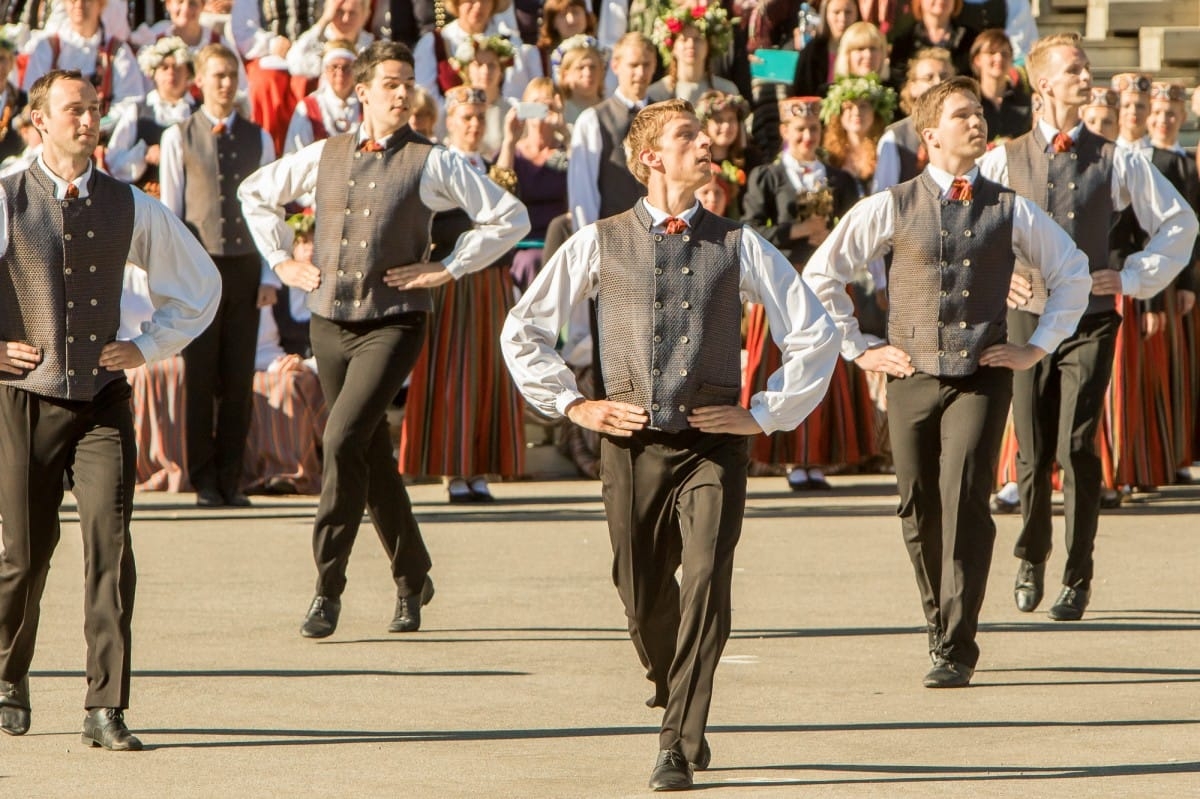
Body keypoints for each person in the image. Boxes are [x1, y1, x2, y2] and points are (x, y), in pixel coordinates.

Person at [502, 98, 840, 791]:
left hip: (714, 443)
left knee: (707, 583)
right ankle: (670, 679)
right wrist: (575, 402)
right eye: (687, 135)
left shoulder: (739, 242)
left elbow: (815, 331)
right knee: (638, 590)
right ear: (651, 156)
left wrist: (765, 413)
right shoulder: (598, 239)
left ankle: (677, 743)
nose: (705, 142)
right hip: (629, 444)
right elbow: (523, 329)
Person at [804, 76, 1092, 687]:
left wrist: (1036, 345)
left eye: (980, 113)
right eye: (962, 114)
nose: (976, 122)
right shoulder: (891, 203)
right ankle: (939, 622)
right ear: (929, 135)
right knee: (917, 507)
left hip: (981, 374)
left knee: (966, 498)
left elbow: (1073, 271)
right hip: (909, 372)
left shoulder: (1011, 206)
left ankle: (957, 645)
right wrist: (860, 348)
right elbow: (822, 274)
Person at [239, 40, 529, 638]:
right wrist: (282, 260)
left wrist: (447, 267)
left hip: (396, 319)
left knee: (341, 435)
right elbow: (254, 193)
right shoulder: (324, 153)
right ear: (362, 92)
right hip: (329, 319)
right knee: (367, 452)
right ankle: (412, 575)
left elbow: (511, 218)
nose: (401, 93)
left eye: (407, 84)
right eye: (389, 83)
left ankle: (327, 588)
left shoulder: (434, 160)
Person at [0, 69, 219, 749]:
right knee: (23, 554)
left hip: (101, 398)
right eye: (74, 110)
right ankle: (7, 677)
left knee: (110, 546)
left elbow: (200, 285)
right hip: (23, 400)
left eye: (94, 109)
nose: (88, 120)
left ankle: (105, 705)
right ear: (39, 121)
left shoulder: (132, 204)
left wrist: (148, 344)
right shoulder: (5, 195)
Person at [979, 33, 1196, 621]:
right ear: (1044, 83)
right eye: (1075, 69)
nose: (1087, 78)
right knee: (1030, 445)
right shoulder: (1000, 159)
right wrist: (998, 281)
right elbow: (961, 225)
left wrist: (1129, 276)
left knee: (1077, 443)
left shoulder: (1118, 158)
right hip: (1025, 318)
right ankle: (1032, 554)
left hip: (1092, 319)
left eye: (1087, 68)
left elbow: (1179, 223)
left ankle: (1077, 574)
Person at [159, 43, 278, 508]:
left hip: (246, 266)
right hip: (198, 271)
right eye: (217, 76)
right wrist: (173, 281)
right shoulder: (178, 136)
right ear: (200, 82)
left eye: (232, 75)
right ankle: (203, 478)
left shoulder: (259, 137)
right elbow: (171, 214)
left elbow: (268, 212)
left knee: (237, 377)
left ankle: (232, 477)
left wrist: (269, 272)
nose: (226, 83)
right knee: (201, 377)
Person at [741, 95, 871, 491]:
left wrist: (830, 237)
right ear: (785, 132)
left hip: (826, 281)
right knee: (783, 363)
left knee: (826, 364)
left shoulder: (839, 179)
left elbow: (856, 228)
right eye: (799, 130)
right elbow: (746, 229)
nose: (806, 136)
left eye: (813, 129)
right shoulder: (766, 177)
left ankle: (820, 455)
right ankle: (788, 457)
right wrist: (794, 231)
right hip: (781, 282)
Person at [21, 0, 144, 115]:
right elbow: (35, 99)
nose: (79, 4)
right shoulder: (47, 47)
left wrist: (95, 127)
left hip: (104, 134)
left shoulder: (117, 51)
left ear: (100, 5)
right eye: (73, 0)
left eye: (87, 0)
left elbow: (129, 103)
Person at [875, 47, 954, 191]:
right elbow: (884, 196)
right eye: (928, 78)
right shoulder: (896, 138)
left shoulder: (964, 130)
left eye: (944, 76)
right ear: (913, 88)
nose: (938, 83)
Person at [645, 1, 739, 105]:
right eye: (684, 39)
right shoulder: (657, 93)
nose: (691, 45)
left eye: (698, 39)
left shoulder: (726, 90)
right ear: (673, 47)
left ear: (709, 45)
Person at [284, 39, 361, 154]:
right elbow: (294, 154)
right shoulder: (308, 107)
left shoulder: (367, 104)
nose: (340, 73)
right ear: (325, 70)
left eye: (346, 67)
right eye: (334, 67)